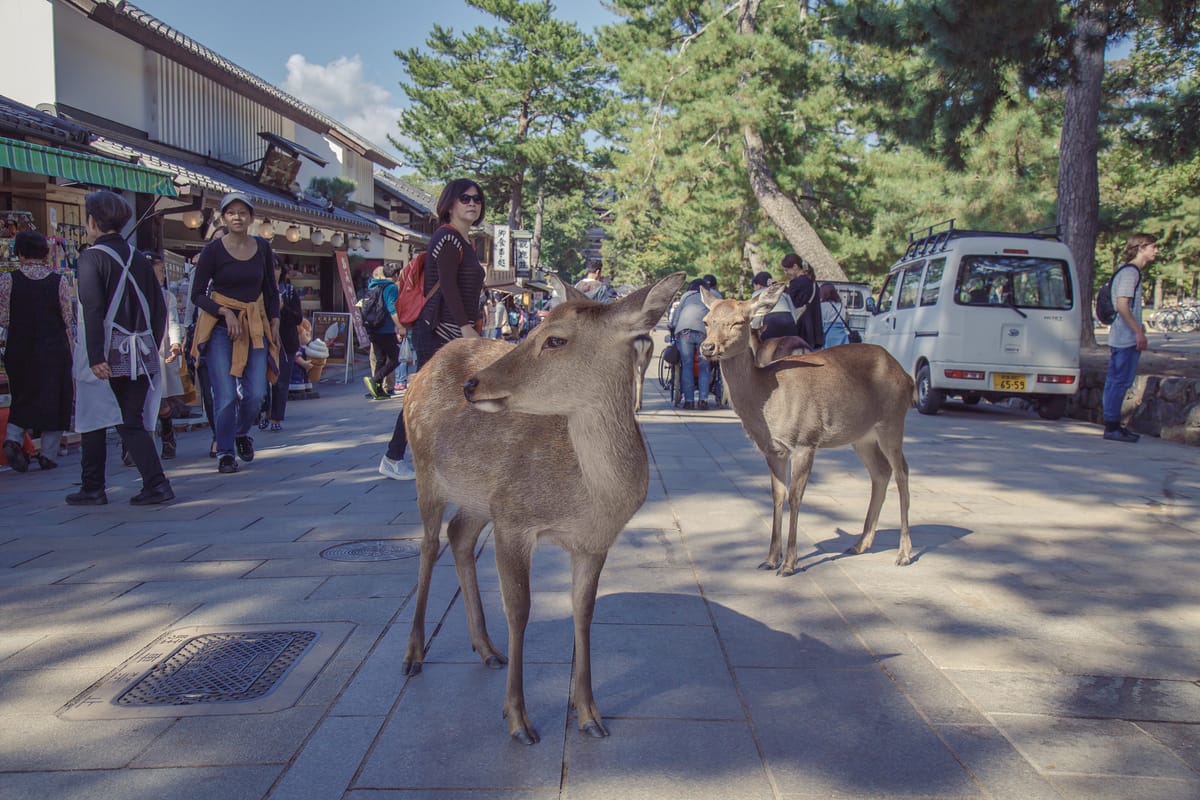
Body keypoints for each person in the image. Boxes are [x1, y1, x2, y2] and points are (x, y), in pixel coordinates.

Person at [69, 190, 172, 505]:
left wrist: (97, 355)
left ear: (93, 221)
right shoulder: (139, 258)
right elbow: (159, 308)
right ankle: (143, 483)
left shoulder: (91, 257)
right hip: (139, 351)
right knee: (131, 418)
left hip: (104, 351)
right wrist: (150, 344)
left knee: (95, 417)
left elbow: (92, 308)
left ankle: (98, 486)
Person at [379, 178, 486, 480]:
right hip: (438, 328)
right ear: (450, 203)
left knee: (442, 395)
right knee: (427, 395)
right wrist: (465, 326)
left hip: (451, 330)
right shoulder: (447, 238)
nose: (472, 204)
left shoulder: (466, 241)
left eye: (477, 199)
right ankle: (395, 455)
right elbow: (449, 286)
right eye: (464, 198)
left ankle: (435, 458)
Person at [190, 192, 281, 474]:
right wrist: (223, 311)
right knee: (226, 394)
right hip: (221, 327)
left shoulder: (262, 247)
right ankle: (226, 451)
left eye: (243, 212)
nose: (237, 217)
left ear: (251, 218)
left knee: (255, 393)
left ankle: (242, 432)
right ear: (223, 217)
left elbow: (270, 289)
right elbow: (197, 294)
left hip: (254, 325)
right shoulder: (213, 251)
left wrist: (275, 320)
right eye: (231, 213)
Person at [0, 230, 73, 472]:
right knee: (54, 397)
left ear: (19, 253)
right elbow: (67, 319)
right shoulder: (58, 281)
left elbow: (4, 318)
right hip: (53, 348)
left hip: (20, 347)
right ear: (44, 252)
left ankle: (13, 438)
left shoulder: (7, 281)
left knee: (22, 394)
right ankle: (48, 454)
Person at [1102, 233, 1157, 443]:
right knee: (1120, 380)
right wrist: (1138, 331)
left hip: (1121, 336)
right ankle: (1112, 425)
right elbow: (1122, 305)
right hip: (1125, 338)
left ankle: (1113, 423)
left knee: (1115, 380)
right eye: (1153, 246)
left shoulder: (1130, 272)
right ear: (1141, 247)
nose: (1156, 251)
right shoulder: (1130, 274)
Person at [147, 252, 185, 460]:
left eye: (162, 271)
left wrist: (176, 342)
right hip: (139, 349)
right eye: (159, 271)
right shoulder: (134, 293)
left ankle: (168, 434)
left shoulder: (166, 296)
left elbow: (172, 321)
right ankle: (135, 445)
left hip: (160, 348)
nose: (162, 275)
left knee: (161, 400)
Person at [263, 260, 303, 430]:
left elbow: (298, 318)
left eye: (277, 267)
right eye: (271, 267)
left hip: (286, 342)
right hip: (263, 339)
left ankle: (276, 418)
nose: (275, 271)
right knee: (262, 381)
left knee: (281, 381)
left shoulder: (289, 291)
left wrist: (282, 308)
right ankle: (264, 412)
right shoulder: (258, 290)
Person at [667, 278, 712, 410]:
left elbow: (675, 319)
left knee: (687, 366)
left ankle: (689, 401)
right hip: (703, 333)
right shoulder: (709, 298)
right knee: (704, 366)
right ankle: (703, 400)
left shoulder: (685, 297)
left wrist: (673, 327)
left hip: (684, 332)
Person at [363, 262, 403, 399]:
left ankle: (378, 390)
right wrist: (400, 326)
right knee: (396, 358)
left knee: (380, 360)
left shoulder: (373, 286)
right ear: (396, 275)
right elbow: (392, 309)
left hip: (373, 328)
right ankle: (375, 381)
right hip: (385, 329)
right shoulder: (391, 288)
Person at [782, 253, 824, 349]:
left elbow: (789, 301)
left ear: (795, 266)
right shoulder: (812, 282)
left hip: (802, 329)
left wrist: (779, 288)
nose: (786, 273)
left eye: (786, 270)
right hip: (814, 330)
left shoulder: (797, 283)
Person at [750, 271, 799, 341]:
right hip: (788, 320)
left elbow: (757, 316)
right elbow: (794, 312)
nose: (754, 289)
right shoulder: (782, 292)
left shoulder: (756, 294)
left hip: (770, 323)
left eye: (754, 286)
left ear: (758, 285)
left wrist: (755, 328)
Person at [820, 283, 851, 348]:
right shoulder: (841, 305)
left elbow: (820, 321)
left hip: (828, 334)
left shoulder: (823, 305)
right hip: (841, 334)